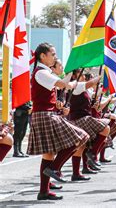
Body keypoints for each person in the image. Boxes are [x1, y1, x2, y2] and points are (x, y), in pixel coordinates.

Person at [27, 43, 89, 200]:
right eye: (52, 54)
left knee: (48, 153)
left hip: (45, 114)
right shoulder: (41, 73)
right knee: (81, 136)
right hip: (44, 115)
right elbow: (64, 84)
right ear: (43, 56)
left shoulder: (43, 72)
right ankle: (54, 168)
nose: (54, 57)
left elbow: (64, 84)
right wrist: (71, 78)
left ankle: (44, 191)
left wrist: (70, 78)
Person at [69, 69, 111, 181]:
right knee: (106, 128)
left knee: (82, 145)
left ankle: (77, 173)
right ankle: (92, 154)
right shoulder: (77, 85)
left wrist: (94, 105)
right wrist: (100, 76)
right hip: (80, 118)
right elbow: (91, 83)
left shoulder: (81, 87)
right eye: (80, 73)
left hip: (79, 118)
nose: (83, 75)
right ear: (74, 75)